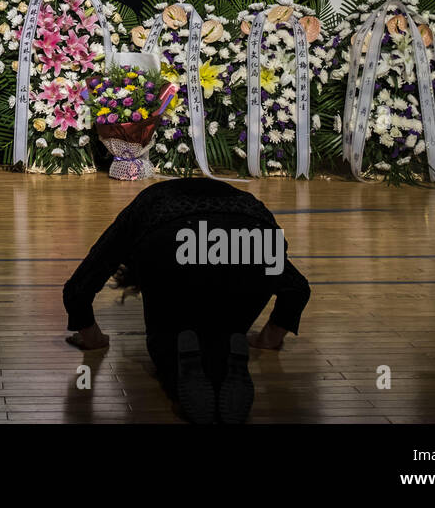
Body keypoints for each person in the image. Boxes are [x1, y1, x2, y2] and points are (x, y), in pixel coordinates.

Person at [62, 177, 311, 424]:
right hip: (254, 235)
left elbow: (79, 285)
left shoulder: (146, 203)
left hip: (173, 237)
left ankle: (178, 376)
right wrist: (266, 339)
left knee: (169, 344)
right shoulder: (242, 200)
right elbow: (298, 289)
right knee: (225, 330)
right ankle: (227, 363)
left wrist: (92, 338)